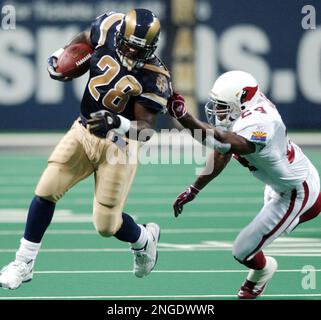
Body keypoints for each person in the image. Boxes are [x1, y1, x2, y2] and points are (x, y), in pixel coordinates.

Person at [0, 8, 171, 289]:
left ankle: (143, 239)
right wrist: (65, 53)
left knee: (106, 225)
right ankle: (23, 262)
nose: (129, 52)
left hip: (120, 145)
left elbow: (147, 129)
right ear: (120, 35)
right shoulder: (108, 25)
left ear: (151, 48)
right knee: (46, 189)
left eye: (138, 49)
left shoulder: (156, 76)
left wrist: (118, 122)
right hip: (84, 128)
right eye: (126, 44)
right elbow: (85, 38)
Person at [168, 70, 321, 299]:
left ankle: (263, 271)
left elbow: (227, 143)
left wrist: (184, 118)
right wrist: (195, 188)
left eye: (222, 105)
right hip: (277, 185)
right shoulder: (243, 110)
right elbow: (221, 152)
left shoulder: (262, 121)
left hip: (298, 193)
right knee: (255, 240)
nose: (218, 111)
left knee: (243, 251)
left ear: (241, 99)